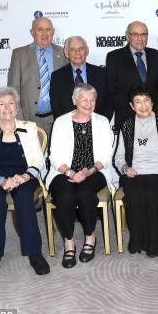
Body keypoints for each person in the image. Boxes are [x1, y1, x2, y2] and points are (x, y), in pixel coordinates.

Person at [0, 87, 50, 275]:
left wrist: (23, 177)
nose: (7, 108)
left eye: (11, 103)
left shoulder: (29, 127)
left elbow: (38, 161)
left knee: (25, 197)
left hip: (24, 175)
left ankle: (34, 252)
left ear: (17, 108)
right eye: (2, 104)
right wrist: (1, 180)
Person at [47, 83, 114, 268]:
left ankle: (90, 237)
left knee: (85, 194)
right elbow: (54, 156)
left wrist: (89, 171)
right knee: (64, 195)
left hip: (94, 170)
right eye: (84, 99)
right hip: (63, 170)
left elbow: (106, 156)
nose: (89, 103)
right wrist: (70, 172)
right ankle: (69, 242)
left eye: (92, 100)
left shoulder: (102, 121)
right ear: (74, 100)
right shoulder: (61, 122)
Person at [114, 84, 158, 257]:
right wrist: (125, 168)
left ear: (153, 102)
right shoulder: (127, 125)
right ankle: (141, 240)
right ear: (131, 106)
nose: (143, 105)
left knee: (157, 193)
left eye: (146, 100)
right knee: (136, 195)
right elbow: (119, 156)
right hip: (135, 172)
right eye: (138, 102)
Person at [8, 17, 66, 137]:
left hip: (57, 119)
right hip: (29, 119)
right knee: (32, 156)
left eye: (48, 29)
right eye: (40, 29)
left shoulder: (63, 53)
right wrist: (19, 120)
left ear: (53, 31)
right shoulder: (19, 54)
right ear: (32, 32)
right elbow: (13, 90)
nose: (44, 33)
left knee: (57, 156)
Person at [106, 21, 158, 127]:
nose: (140, 38)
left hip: (153, 118)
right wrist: (134, 113)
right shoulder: (114, 57)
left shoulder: (157, 56)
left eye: (143, 34)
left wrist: (151, 111)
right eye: (135, 34)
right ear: (128, 36)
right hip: (126, 119)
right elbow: (112, 90)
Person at [50, 36, 112, 120]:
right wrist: (67, 125)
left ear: (87, 51)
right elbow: (56, 106)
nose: (77, 52)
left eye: (81, 48)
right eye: (72, 49)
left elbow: (109, 102)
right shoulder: (57, 77)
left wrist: (101, 122)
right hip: (68, 127)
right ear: (66, 53)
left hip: (97, 125)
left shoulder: (102, 74)